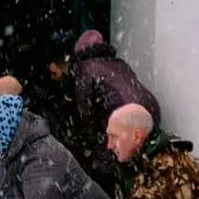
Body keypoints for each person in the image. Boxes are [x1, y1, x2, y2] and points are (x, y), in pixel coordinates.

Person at [67, 30, 162, 188]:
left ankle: (113, 193)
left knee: (108, 160)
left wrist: (91, 142)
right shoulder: (118, 62)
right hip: (148, 111)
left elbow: (86, 112)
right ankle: (141, 188)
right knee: (141, 158)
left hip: (122, 114)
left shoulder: (83, 68)